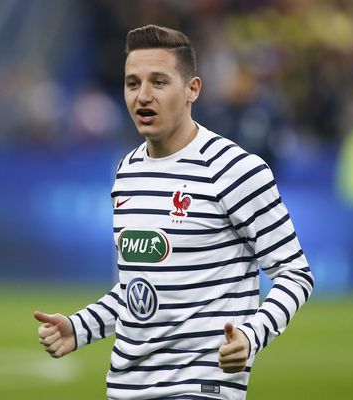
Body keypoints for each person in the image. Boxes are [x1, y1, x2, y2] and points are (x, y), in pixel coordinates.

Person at [34, 24, 314, 400]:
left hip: (201, 388)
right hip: (125, 388)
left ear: (192, 90)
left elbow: (295, 273)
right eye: (132, 83)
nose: (143, 96)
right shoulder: (127, 172)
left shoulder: (235, 170)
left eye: (159, 82)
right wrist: (79, 327)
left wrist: (251, 335)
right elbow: (139, 291)